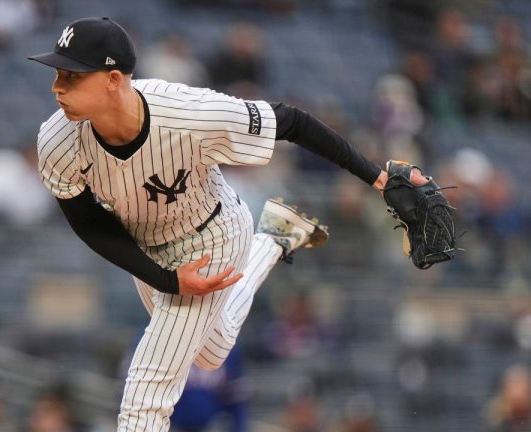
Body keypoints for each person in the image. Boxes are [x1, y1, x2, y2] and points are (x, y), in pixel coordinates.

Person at [27, 17, 427, 430]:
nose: (58, 86)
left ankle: (264, 239)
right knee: (211, 352)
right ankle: (273, 238)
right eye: (57, 73)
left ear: (113, 79)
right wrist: (166, 278)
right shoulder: (57, 141)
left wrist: (379, 179)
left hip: (212, 232)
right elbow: (90, 224)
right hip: (147, 246)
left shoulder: (188, 113)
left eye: (72, 75)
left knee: (147, 387)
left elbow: (291, 122)